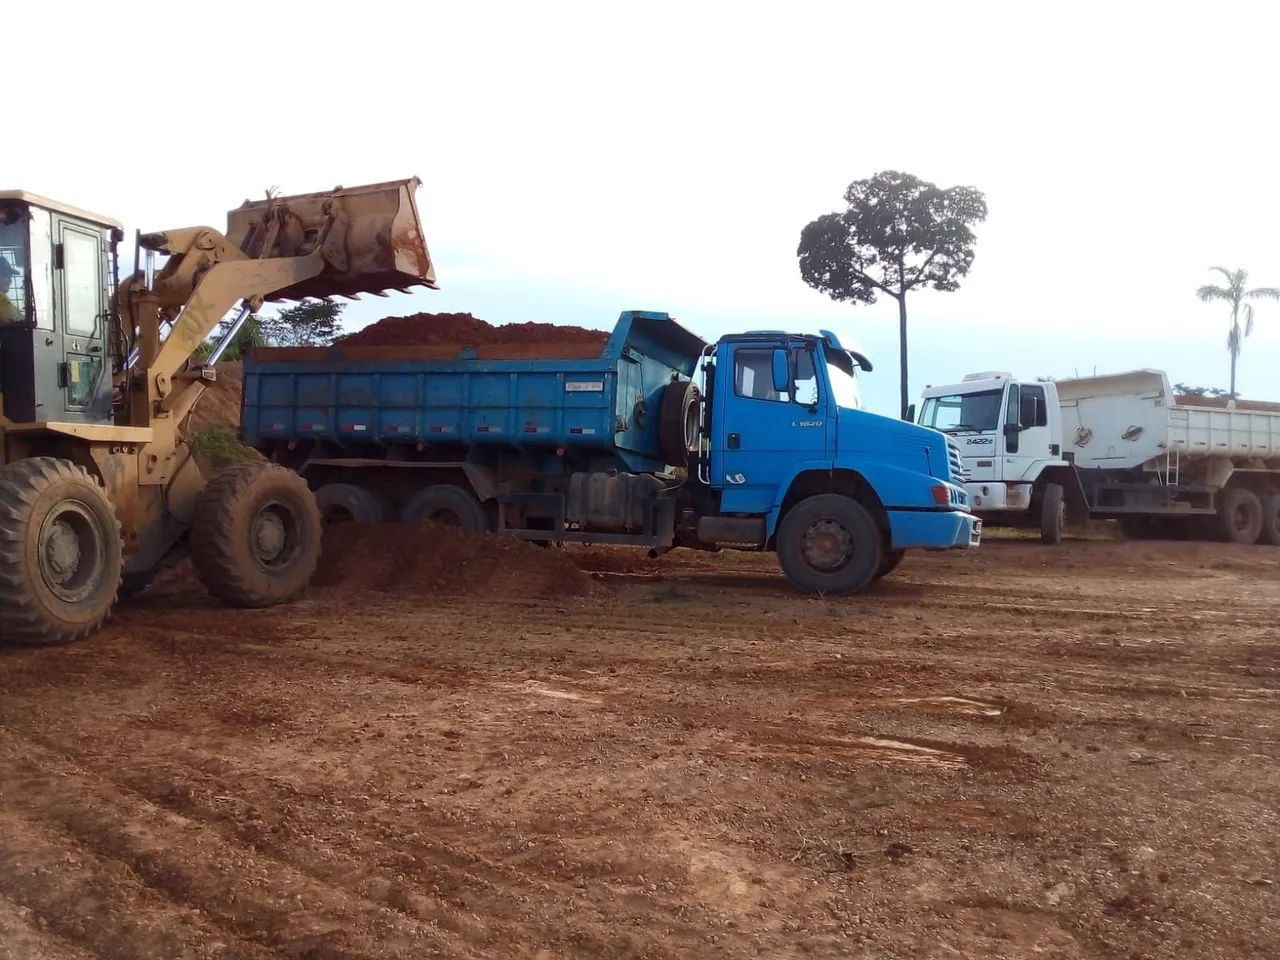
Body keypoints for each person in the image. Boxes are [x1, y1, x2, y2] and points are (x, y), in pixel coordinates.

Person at [0, 257, 20, 322]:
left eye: (10, 276)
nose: (10, 281)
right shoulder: (1, 297)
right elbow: (14, 319)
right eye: (6, 276)